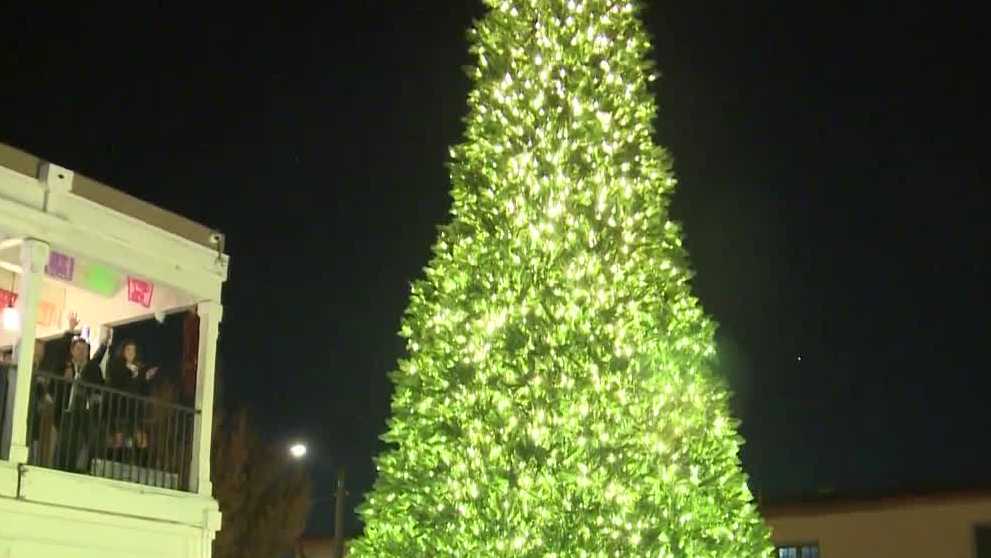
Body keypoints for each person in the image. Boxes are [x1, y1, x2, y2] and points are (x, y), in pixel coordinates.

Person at [55, 312, 110, 472]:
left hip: (85, 412)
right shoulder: (66, 366)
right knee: (65, 443)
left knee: (86, 442)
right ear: (72, 351)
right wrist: (70, 330)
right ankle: (62, 469)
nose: (81, 352)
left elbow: (100, 385)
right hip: (66, 410)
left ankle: (81, 469)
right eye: (78, 349)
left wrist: (105, 344)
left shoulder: (91, 368)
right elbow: (59, 352)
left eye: (85, 349)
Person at [105, 338, 158, 463]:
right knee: (119, 439)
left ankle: (143, 468)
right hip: (120, 408)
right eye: (128, 349)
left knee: (142, 439)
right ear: (123, 351)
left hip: (135, 410)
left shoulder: (139, 369)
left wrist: (146, 378)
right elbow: (118, 382)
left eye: (133, 350)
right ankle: (112, 464)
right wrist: (132, 373)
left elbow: (143, 391)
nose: (131, 353)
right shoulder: (117, 365)